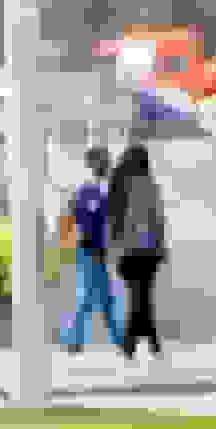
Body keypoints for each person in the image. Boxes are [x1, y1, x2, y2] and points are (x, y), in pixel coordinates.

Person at [58, 146, 125, 356]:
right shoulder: (89, 190)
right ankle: (74, 340)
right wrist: (64, 240)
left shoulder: (98, 190)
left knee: (104, 299)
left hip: (97, 253)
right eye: (106, 161)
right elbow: (71, 217)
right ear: (97, 164)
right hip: (89, 252)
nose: (110, 165)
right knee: (88, 298)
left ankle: (118, 339)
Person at [106, 142, 168, 362]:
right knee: (141, 297)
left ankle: (142, 343)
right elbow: (157, 219)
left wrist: (114, 249)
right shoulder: (148, 184)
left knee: (139, 297)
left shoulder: (117, 183)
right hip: (147, 250)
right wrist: (162, 247)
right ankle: (139, 343)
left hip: (126, 251)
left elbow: (112, 221)